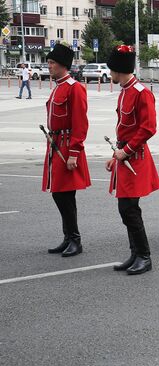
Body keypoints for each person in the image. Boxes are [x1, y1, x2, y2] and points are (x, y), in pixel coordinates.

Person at [105, 45, 159, 275]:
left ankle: (144, 256)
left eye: (112, 71)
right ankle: (135, 253)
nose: (110, 75)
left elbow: (148, 128)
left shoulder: (141, 92)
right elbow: (123, 129)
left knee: (129, 209)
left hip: (134, 158)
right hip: (124, 157)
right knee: (126, 209)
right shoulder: (125, 91)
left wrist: (125, 151)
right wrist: (115, 155)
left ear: (119, 70)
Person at [43, 43, 91, 257]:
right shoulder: (58, 86)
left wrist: (74, 153)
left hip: (67, 145)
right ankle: (67, 236)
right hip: (55, 144)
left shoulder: (74, 88)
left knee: (65, 195)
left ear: (63, 65)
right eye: (49, 62)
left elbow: (80, 123)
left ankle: (75, 239)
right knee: (58, 193)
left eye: (52, 62)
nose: (49, 66)